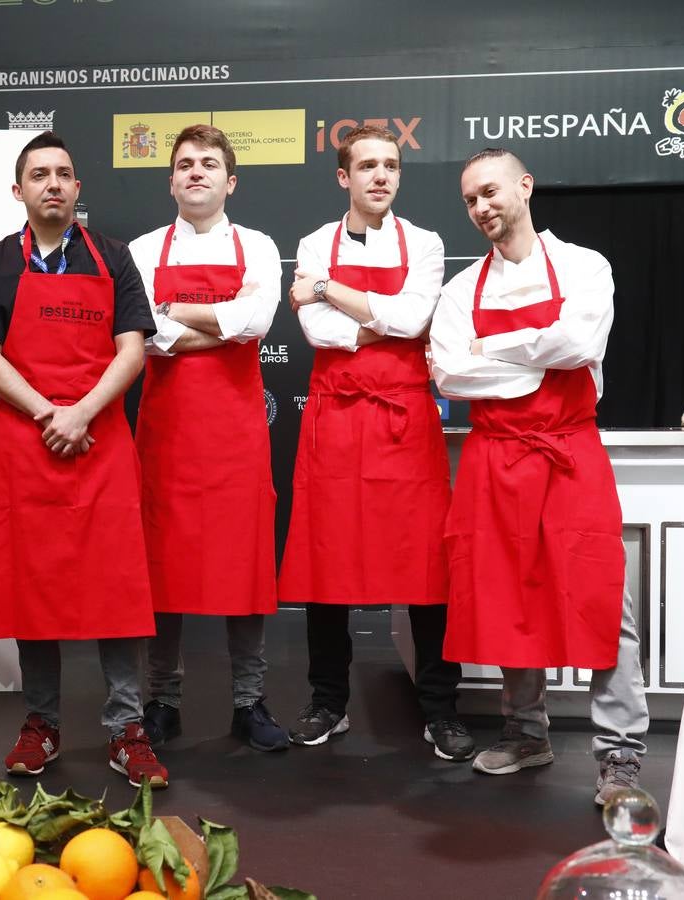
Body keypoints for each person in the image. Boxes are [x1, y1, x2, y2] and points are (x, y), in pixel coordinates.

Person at [430, 147, 648, 803]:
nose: (482, 207)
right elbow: (449, 373)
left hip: (568, 453)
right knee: (506, 600)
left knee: (603, 600)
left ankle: (619, 757)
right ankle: (527, 734)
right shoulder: (458, 290)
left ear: (524, 187)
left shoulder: (584, 266)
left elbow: (580, 345)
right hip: (495, 462)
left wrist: (492, 347)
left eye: (491, 192)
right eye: (471, 200)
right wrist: (535, 352)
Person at [0, 131, 168, 788]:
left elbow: (132, 351)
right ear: (19, 190)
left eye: (64, 173)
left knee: (116, 591)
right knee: (33, 591)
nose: (52, 183)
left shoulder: (113, 259)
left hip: (99, 442)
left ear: (78, 189)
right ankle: (42, 723)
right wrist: (49, 413)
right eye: (39, 174)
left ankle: (125, 728)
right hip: (25, 445)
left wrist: (81, 413)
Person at [280, 124, 474, 762]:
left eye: (390, 165)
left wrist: (332, 292)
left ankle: (439, 709)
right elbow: (314, 329)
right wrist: (375, 322)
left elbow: (415, 318)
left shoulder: (425, 241)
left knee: (424, 567)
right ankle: (328, 701)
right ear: (344, 177)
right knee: (326, 563)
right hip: (335, 417)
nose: (380, 176)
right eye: (366, 166)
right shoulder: (314, 239)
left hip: (403, 419)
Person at [127, 125, 286, 752]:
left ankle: (250, 702)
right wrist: (224, 319)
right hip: (165, 434)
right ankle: (161, 698)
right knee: (161, 570)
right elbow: (142, 333)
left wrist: (179, 315)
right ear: (171, 180)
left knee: (244, 570)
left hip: (236, 436)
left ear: (230, 180)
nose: (197, 172)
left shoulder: (260, 246)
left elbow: (260, 321)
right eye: (186, 164)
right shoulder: (141, 249)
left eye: (210, 164)